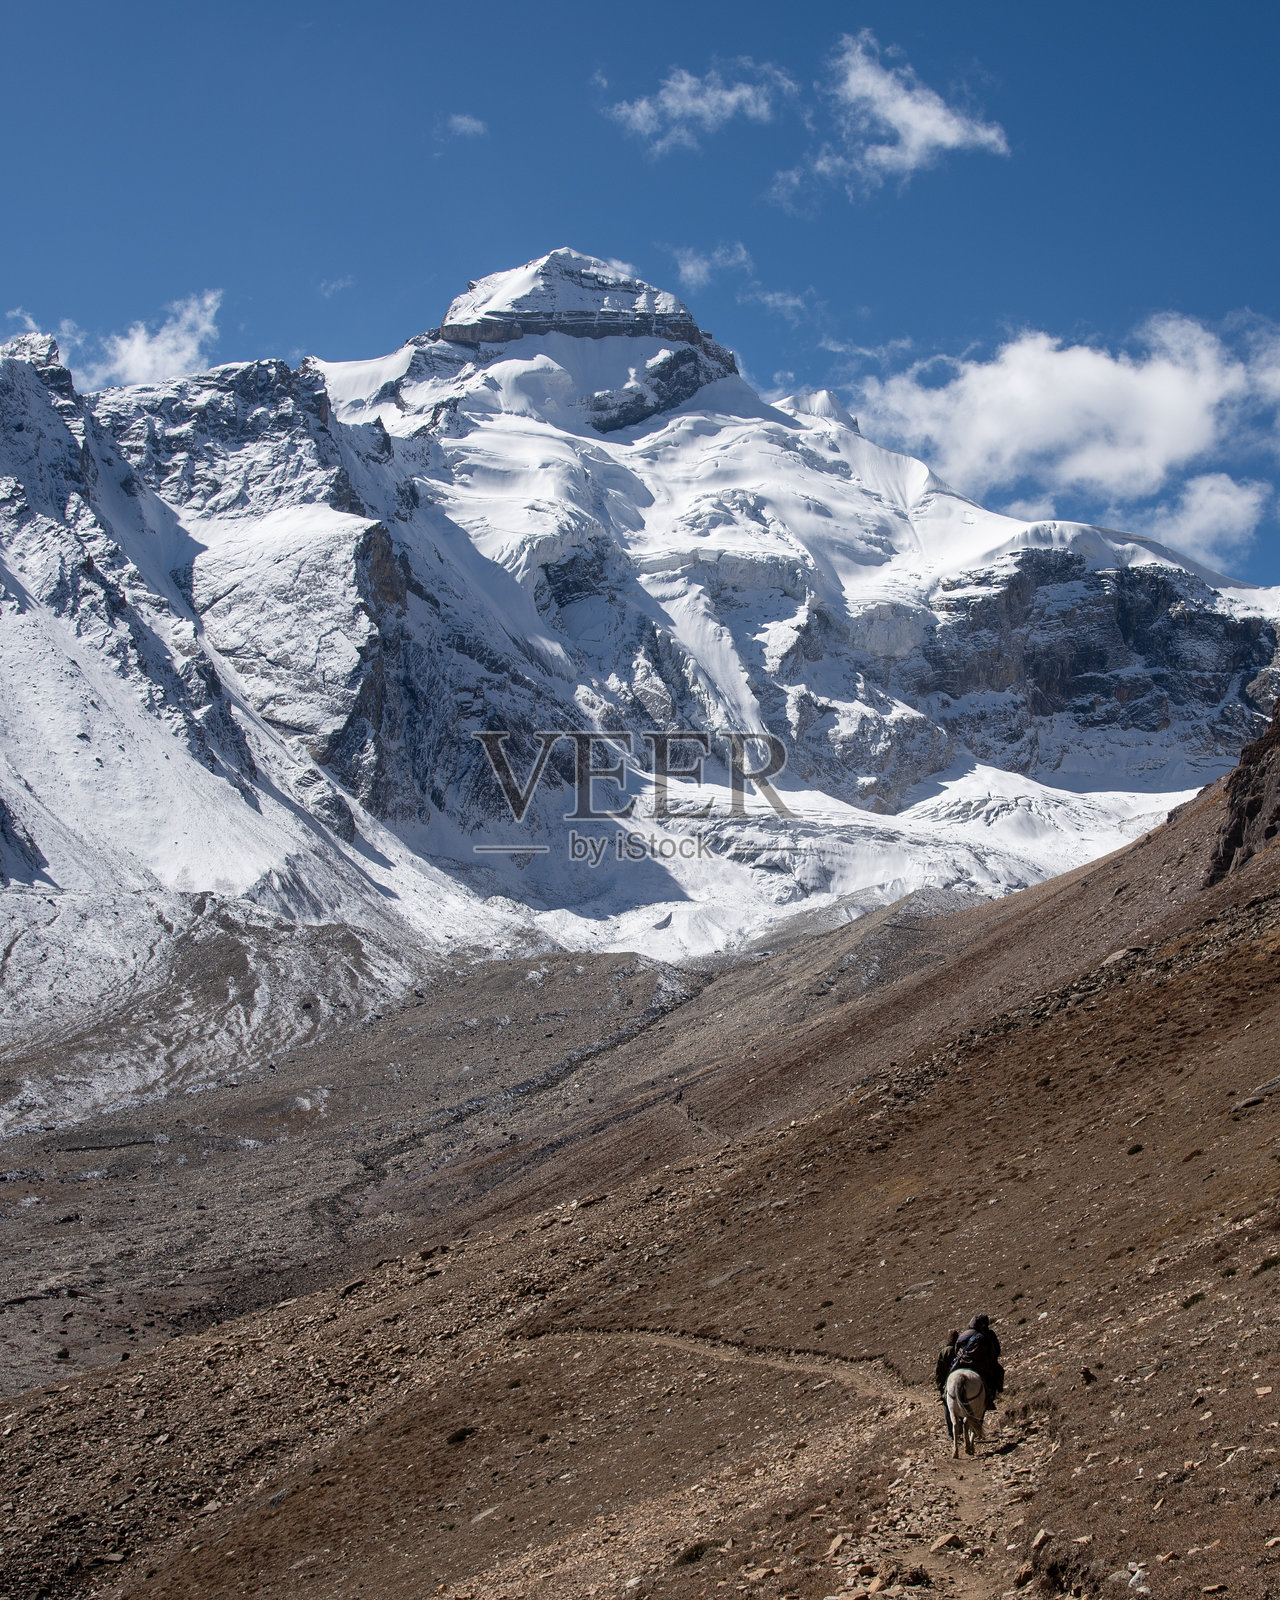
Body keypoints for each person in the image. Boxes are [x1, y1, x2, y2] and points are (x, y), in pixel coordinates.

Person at [950, 1312, 1004, 1409]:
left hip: (962, 1362)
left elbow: (956, 1349)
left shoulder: (963, 1334)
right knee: (994, 1375)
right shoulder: (983, 1336)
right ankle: (991, 1396)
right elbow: (992, 1351)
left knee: (950, 1374)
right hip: (979, 1364)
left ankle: (945, 1391)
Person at [935, 1329, 959, 1438]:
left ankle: (951, 1432)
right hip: (959, 1379)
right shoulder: (959, 1350)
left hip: (947, 1381)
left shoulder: (944, 1351)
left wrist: (940, 1386)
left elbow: (939, 1370)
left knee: (947, 1404)